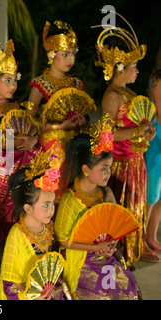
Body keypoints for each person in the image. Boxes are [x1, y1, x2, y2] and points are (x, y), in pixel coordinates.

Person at [54, 114, 140, 300]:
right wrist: (95, 248)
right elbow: (63, 241)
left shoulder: (106, 193)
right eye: (103, 168)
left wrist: (110, 245)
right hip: (79, 257)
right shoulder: (70, 200)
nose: (108, 173)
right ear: (86, 170)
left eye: (110, 167)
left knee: (126, 287)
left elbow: (115, 226)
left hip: (104, 254)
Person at [0, 39, 42, 279]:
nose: (13, 84)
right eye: (7, 79)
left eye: (15, 78)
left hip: (20, 169)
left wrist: (32, 141)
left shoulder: (20, 107)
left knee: (18, 214)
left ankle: (21, 264)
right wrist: (18, 141)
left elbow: (34, 132)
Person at [96, 23, 156, 267]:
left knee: (136, 210)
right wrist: (136, 131)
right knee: (122, 210)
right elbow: (106, 135)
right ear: (120, 70)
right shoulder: (112, 95)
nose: (137, 72)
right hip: (121, 165)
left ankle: (131, 254)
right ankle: (117, 254)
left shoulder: (129, 95)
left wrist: (146, 133)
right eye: (134, 67)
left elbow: (136, 130)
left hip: (136, 162)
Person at [0, 150, 69, 300]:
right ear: (28, 208)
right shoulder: (17, 233)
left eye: (53, 204)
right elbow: (9, 276)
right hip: (22, 292)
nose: (51, 210)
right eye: (46, 205)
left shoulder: (47, 227)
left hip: (43, 291)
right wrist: (32, 294)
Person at [26, 20, 88, 173]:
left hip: (75, 145)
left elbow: (86, 117)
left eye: (73, 54)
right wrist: (58, 127)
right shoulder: (40, 85)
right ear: (51, 54)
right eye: (65, 54)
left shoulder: (77, 84)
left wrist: (82, 121)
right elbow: (27, 120)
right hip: (51, 147)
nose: (70, 59)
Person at [144, 69, 161, 260]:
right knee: (152, 195)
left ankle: (152, 236)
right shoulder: (158, 80)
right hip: (157, 137)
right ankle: (139, 241)